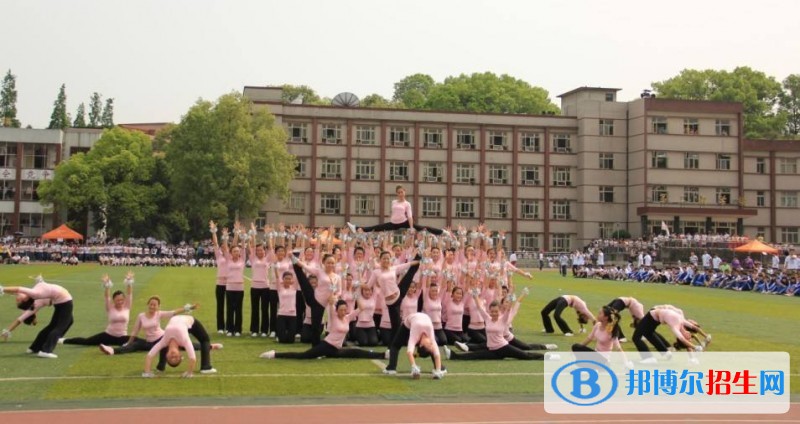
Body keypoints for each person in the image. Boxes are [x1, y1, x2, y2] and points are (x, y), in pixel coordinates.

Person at [260, 296, 386, 360]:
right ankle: (274, 354)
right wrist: (332, 295)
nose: (343, 311)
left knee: (356, 352)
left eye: (344, 309)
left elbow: (361, 308)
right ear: (337, 311)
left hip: (335, 349)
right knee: (303, 356)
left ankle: (383, 355)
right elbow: (331, 303)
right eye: (341, 310)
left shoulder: (347, 317)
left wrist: (357, 293)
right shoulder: (333, 316)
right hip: (327, 345)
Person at [445, 290, 554, 361]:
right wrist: (475, 296)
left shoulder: (503, 319)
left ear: (498, 311)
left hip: (503, 347)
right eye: (492, 311)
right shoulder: (487, 318)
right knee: (476, 355)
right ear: (490, 311)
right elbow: (479, 307)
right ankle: (453, 356)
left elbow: (509, 309)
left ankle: (548, 357)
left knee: (525, 355)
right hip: (492, 350)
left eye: (496, 311)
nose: (494, 313)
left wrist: (514, 299)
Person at [99, 296, 202, 358]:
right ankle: (112, 350)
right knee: (134, 345)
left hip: (161, 339)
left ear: (158, 307)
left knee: (181, 344)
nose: (152, 306)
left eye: (155, 305)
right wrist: (128, 343)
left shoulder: (159, 313)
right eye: (151, 304)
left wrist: (189, 307)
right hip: (148, 342)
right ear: (148, 304)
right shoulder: (141, 316)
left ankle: (207, 346)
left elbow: (174, 312)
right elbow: (135, 332)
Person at [1, 276, 74, 358]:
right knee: (60, 327)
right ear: (25, 300)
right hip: (65, 301)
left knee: (63, 323)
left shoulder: (31, 296)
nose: (16, 298)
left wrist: (39, 280)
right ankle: (46, 351)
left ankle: (34, 348)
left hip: (60, 301)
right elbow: (18, 289)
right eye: (18, 300)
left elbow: (16, 292)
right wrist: (2, 289)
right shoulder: (34, 295)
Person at [62, 273, 134, 347]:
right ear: (113, 300)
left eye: (122, 300)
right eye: (117, 300)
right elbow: (107, 297)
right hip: (108, 335)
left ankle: (147, 346)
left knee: (138, 343)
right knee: (86, 341)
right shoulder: (110, 307)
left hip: (122, 337)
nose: (120, 302)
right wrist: (107, 285)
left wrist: (129, 281)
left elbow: (129, 294)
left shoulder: (127, 307)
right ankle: (63, 340)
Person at [347, 185, 446, 236]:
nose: (400, 194)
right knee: (376, 227)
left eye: (402, 192)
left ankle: (442, 232)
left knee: (422, 228)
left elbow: (410, 216)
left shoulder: (407, 203)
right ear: (397, 194)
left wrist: (411, 227)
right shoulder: (394, 202)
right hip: (394, 223)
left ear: (404, 192)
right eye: (398, 192)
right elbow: (394, 213)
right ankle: (356, 228)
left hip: (404, 222)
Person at [142, 314, 218, 377]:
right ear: (180, 354)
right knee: (205, 339)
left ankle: (160, 367)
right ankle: (206, 367)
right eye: (176, 358)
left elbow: (150, 355)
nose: (173, 356)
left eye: (171, 358)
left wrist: (147, 372)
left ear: (167, 355)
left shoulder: (164, 341)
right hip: (190, 322)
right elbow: (192, 358)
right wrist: (189, 372)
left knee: (163, 346)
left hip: (176, 318)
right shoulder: (184, 340)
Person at [633, 305, 710, 363]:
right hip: (656, 317)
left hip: (652, 316)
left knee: (636, 337)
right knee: (648, 333)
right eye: (689, 338)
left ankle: (648, 358)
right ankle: (665, 353)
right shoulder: (682, 321)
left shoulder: (675, 327)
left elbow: (683, 340)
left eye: (688, 339)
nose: (690, 337)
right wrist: (706, 336)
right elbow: (695, 328)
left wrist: (695, 347)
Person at [383, 312, 446, 379]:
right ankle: (391, 368)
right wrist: (414, 367)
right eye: (430, 344)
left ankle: (438, 367)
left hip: (416, 321)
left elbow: (409, 352)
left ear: (421, 344)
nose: (431, 344)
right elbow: (436, 354)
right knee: (395, 345)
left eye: (429, 345)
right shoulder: (428, 337)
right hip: (408, 323)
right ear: (421, 344)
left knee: (395, 345)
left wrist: (438, 371)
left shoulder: (416, 338)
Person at [209, 220, 228, 334]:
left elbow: (225, 244)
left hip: (230, 285)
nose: (223, 248)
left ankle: (229, 327)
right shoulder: (219, 256)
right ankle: (221, 327)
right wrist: (214, 231)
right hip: (220, 284)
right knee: (220, 306)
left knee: (230, 307)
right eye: (222, 247)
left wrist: (225, 237)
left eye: (225, 247)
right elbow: (215, 243)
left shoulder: (230, 257)